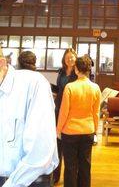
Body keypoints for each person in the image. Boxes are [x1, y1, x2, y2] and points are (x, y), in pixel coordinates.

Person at [0, 53, 58, 187]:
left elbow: (39, 153)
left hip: (28, 180)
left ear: (1, 63)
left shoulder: (33, 83)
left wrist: (12, 184)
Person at [57, 55, 101, 187]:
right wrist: (95, 131)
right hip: (88, 130)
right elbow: (96, 113)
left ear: (76, 69)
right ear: (88, 70)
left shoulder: (70, 87)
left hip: (70, 131)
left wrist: (58, 129)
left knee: (70, 166)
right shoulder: (95, 88)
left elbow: (64, 112)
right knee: (85, 165)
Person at [54, 48, 77, 184]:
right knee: (57, 143)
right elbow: (59, 89)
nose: (70, 59)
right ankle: (55, 176)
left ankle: (70, 178)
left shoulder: (78, 73)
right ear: (64, 59)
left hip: (71, 110)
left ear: (76, 59)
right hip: (58, 108)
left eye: (72, 57)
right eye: (67, 57)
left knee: (68, 145)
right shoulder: (61, 72)